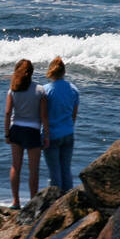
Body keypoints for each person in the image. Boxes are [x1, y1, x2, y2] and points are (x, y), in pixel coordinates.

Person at [4, 59, 48, 208]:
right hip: (32, 131)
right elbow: (44, 116)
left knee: (16, 166)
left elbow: (8, 112)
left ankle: (15, 201)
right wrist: (46, 135)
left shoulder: (13, 89)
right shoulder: (40, 90)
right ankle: (32, 202)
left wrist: (6, 134)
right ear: (32, 72)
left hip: (16, 129)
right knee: (33, 170)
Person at [40, 57, 79, 192]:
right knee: (66, 170)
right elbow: (73, 115)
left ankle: (55, 205)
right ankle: (68, 200)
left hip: (52, 135)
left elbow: (43, 116)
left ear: (50, 71)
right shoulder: (74, 89)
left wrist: (45, 135)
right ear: (64, 71)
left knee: (54, 172)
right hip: (68, 133)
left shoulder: (45, 90)